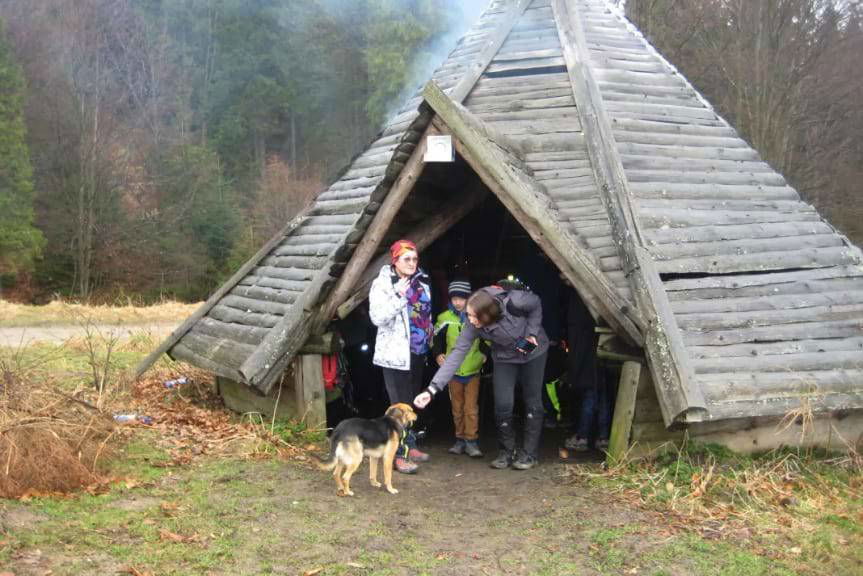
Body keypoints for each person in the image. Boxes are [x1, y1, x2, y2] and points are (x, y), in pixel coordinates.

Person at [416, 285, 548, 470]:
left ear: (488, 313)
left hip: (533, 351)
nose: (469, 320)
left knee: (532, 401)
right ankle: (506, 451)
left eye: (473, 316)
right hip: (504, 357)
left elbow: (536, 303)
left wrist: (532, 333)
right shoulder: (473, 324)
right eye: (468, 315)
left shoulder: (514, 302)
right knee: (503, 403)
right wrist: (432, 389)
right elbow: (457, 354)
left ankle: (529, 454)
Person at [369, 239, 433, 474]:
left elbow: (425, 313)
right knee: (399, 408)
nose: (412, 263)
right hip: (395, 355)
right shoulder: (383, 284)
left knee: (413, 403)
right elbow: (377, 317)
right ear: (395, 260)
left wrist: (430, 336)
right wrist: (399, 296)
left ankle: (410, 444)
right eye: (407, 259)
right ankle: (397, 455)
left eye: (415, 258)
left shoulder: (421, 281)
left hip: (416, 353)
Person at [433, 278, 484, 458]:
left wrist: (484, 357)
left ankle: (472, 442)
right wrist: (437, 354)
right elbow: (435, 339)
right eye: (454, 298)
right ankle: (460, 439)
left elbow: (488, 339)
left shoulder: (477, 316)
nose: (458, 302)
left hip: (473, 370)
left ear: (469, 299)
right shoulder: (444, 318)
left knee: (471, 408)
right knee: (457, 408)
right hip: (453, 372)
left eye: (462, 298)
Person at [563, 289, 610, 452]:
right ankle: (603, 437)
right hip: (604, 353)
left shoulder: (578, 304)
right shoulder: (598, 303)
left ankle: (582, 437)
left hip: (589, 356)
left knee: (590, 396)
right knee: (602, 397)